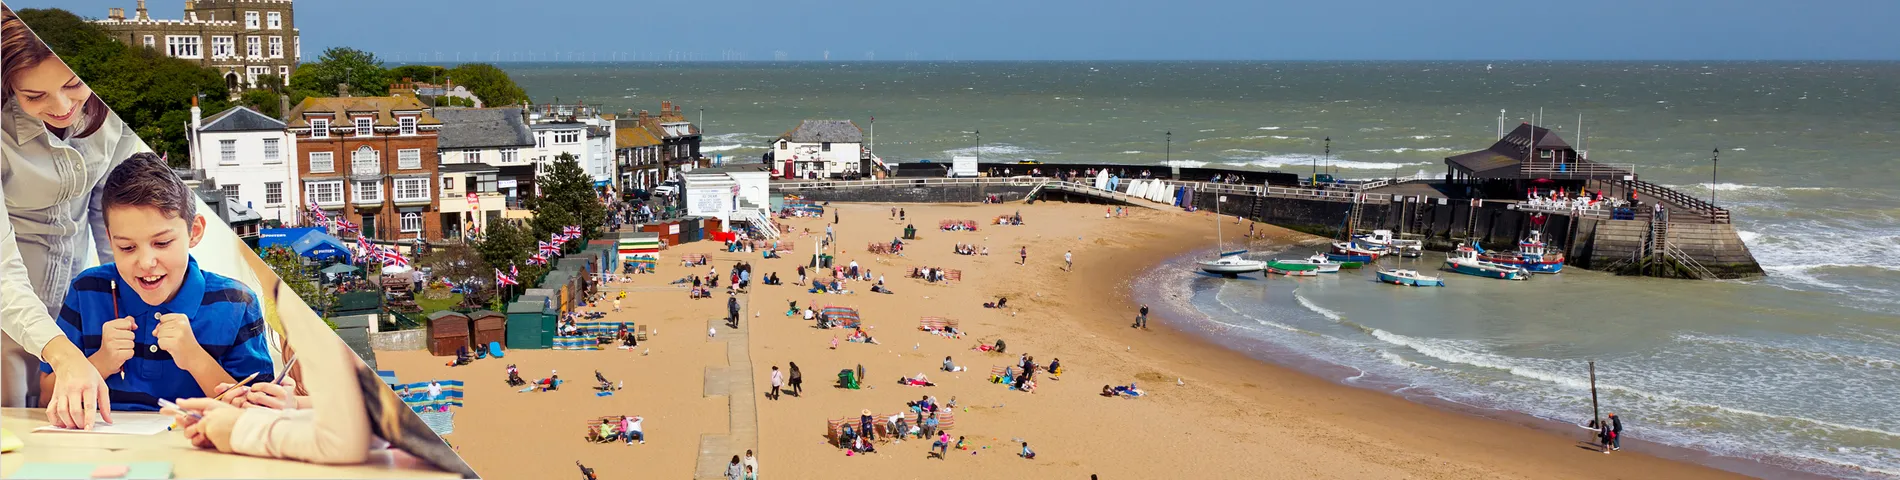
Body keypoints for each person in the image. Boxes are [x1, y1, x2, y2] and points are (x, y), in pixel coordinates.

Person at [40, 153, 272, 410]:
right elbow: (45, 396)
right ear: (109, 239)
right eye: (127, 247)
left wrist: (195, 358)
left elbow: (259, 411)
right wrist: (102, 361)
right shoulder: (87, 291)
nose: (146, 262)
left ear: (194, 232)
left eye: (162, 243)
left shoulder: (237, 302)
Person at [0, 7, 132, 425]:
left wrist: (126, 306)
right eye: (33, 96)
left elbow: (112, 224)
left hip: (67, 313)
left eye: (73, 83)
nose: (60, 107)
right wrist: (61, 352)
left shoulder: (113, 115)